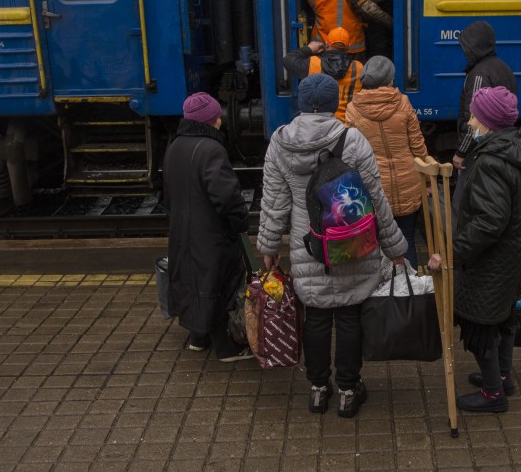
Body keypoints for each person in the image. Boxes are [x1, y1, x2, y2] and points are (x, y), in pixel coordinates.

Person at [257, 73, 408, 418]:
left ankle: (317, 390)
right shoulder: (352, 140)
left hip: (309, 246)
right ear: (333, 103)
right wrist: (395, 248)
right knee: (350, 316)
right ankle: (348, 391)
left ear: (300, 103)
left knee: (317, 317)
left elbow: (274, 202)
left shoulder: (280, 142)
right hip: (352, 243)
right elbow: (375, 200)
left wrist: (269, 246)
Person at [428, 86, 521, 413]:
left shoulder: (491, 161)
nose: (470, 122)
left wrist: (451, 254)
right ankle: (502, 376)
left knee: (479, 321)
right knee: (503, 314)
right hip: (519, 253)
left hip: (495, 260)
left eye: (475, 116)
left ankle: (494, 394)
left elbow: (489, 222)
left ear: (489, 122)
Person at [162, 92, 252, 361]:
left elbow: (168, 194)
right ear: (213, 119)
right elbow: (226, 197)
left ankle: (198, 338)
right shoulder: (211, 149)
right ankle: (226, 348)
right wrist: (241, 221)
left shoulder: (175, 145)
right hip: (212, 234)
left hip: (183, 231)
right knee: (220, 284)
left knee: (193, 280)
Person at [345, 56, 428, 268]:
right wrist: (426, 181)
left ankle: (385, 286)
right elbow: (418, 146)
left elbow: (351, 154)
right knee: (407, 240)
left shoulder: (353, 109)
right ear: (390, 79)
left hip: (375, 187)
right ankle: (410, 285)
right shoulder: (403, 102)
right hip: (408, 183)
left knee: (378, 245)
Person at [452, 20, 517, 173]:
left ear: (475, 46)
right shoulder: (503, 67)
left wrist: (462, 152)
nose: (464, 53)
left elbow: (475, 118)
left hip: (481, 149)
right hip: (501, 145)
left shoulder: (480, 74)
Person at [285, 27, 363, 122]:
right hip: (346, 124)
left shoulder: (312, 63)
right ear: (348, 46)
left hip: (318, 123)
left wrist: (309, 49)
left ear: (326, 44)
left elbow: (288, 60)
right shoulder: (358, 67)